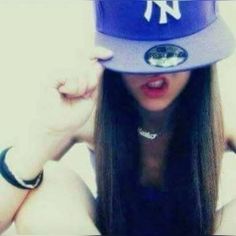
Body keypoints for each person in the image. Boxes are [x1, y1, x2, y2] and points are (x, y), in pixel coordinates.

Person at [1, 0, 236, 235]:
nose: (157, 71)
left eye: (172, 53)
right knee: (49, 180)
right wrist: (47, 133)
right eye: (136, 54)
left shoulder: (225, 117)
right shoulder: (88, 113)